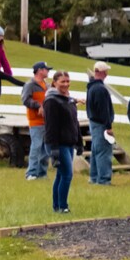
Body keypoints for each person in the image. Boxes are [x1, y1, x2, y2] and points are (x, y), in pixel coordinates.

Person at [40, 70, 81, 214]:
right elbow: (51, 126)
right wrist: (54, 149)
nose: (66, 84)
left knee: (61, 174)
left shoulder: (69, 99)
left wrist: (79, 141)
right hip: (57, 143)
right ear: (54, 83)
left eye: (67, 81)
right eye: (62, 81)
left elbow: (74, 122)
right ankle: (62, 206)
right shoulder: (51, 101)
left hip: (68, 142)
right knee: (67, 175)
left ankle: (57, 206)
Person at [83, 62, 117, 186]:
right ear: (102, 72)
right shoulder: (100, 89)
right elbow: (104, 110)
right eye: (106, 71)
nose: (107, 73)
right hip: (101, 124)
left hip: (94, 122)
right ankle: (103, 179)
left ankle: (94, 177)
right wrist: (108, 126)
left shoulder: (92, 87)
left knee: (96, 150)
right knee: (104, 151)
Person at [22, 62, 52, 178]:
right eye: (46, 69)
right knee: (36, 147)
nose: (48, 71)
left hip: (47, 121)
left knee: (45, 149)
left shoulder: (47, 86)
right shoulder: (30, 85)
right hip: (36, 121)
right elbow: (25, 100)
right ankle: (31, 173)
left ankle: (41, 173)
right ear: (40, 70)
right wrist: (38, 106)